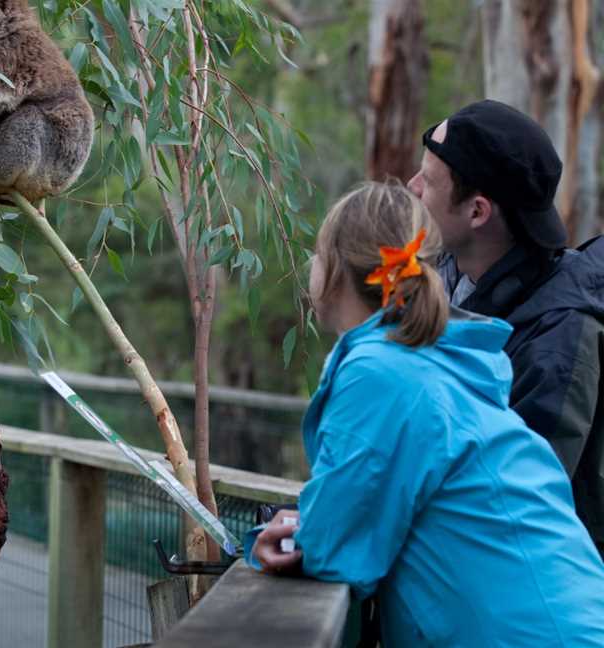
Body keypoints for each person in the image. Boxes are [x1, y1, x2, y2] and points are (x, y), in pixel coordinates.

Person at [247, 182, 604, 646]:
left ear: (336, 269)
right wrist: (307, 523)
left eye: (316, 251)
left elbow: (338, 552)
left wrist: (282, 540)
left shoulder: (380, 372)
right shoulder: (433, 361)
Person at [406, 100, 604, 556]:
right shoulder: (454, 276)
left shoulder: (557, 342)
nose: (413, 188)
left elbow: (508, 511)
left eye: (429, 181)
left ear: (477, 212)